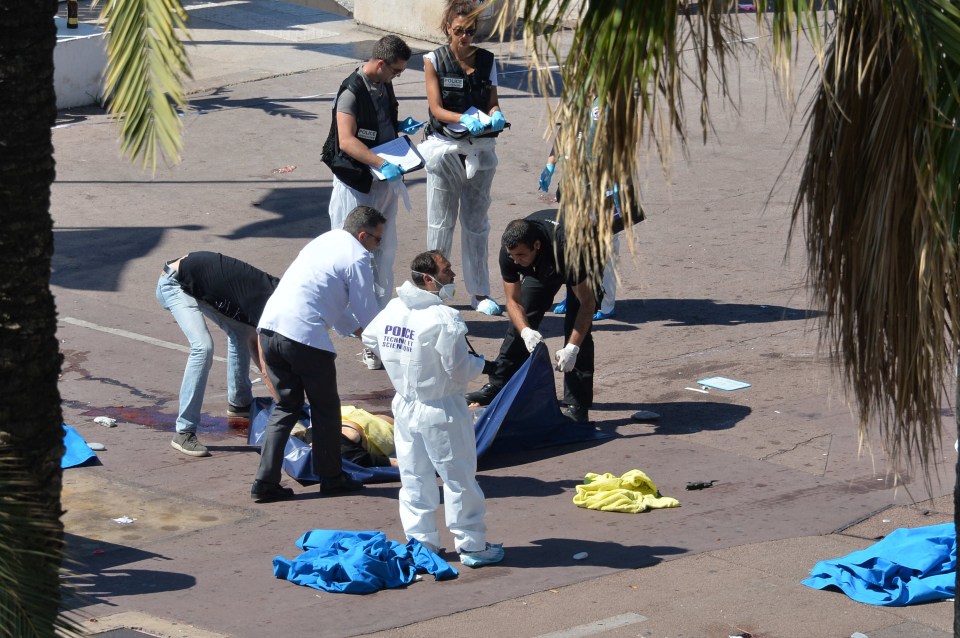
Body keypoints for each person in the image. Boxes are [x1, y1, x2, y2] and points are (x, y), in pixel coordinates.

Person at [362, 250, 504, 567]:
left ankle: (423, 543)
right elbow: (457, 369)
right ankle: (472, 545)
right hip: (442, 409)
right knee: (459, 478)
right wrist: (484, 365)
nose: (452, 276)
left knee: (414, 478)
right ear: (429, 279)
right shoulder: (444, 318)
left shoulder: (393, 308)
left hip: (406, 406)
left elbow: (370, 338)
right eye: (447, 270)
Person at [251, 206, 384, 502]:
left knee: (287, 407)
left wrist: (360, 333)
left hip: (270, 330)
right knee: (325, 408)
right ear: (363, 235)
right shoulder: (357, 255)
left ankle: (264, 481)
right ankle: (332, 477)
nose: (378, 246)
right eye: (377, 240)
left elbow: (332, 304)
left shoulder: (323, 241)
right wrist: (387, 345)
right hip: (304, 336)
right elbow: (367, 310)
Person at [465, 210, 599, 423]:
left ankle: (577, 405)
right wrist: (526, 331)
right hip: (543, 263)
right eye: (512, 256)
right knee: (520, 322)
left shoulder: (569, 249)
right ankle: (498, 384)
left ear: (536, 246)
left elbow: (587, 303)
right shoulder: (511, 251)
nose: (516, 262)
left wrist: (572, 348)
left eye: (521, 256)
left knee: (577, 333)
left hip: (583, 253)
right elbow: (513, 301)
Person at [419, 0, 507, 316]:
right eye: (459, 31)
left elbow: (493, 102)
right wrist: (460, 118)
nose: (465, 38)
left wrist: (496, 115)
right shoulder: (434, 60)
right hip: (445, 148)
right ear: (448, 28)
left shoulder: (487, 60)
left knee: (477, 222)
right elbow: (436, 108)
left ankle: (480, 292)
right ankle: (435, 293)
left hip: (481, 150)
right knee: (441, 223)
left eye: (470, 32)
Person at [156, 252, 279, 457]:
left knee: (242, 332)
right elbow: (266, 368)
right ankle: (184, 432)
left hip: (196, 281)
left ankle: (240, 403)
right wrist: (288, 407)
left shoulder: (276, 291)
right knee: (203, 347)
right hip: (174, 284)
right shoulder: (264, 305)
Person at [321, 34, 412, 312]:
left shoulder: (384, 84)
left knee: (382, 247)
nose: (397, 76)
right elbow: (347, 140)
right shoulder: (351, 91)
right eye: (396, 71)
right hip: (356, 182)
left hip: (383, 180)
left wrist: (400, 129)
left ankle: (377, 308)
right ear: (381, 63)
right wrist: (379, 163)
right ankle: (347, 313)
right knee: (352, 249)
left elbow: (383, 121)